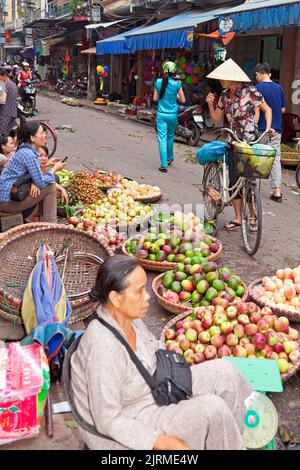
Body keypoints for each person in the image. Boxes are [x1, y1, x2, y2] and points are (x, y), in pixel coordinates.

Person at [71, 255, 252, 450]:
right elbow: (108, 419)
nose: (147, 297)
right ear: (115, 298)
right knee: (213, 409)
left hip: (153, 387)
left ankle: (231, 443)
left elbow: (153, 356)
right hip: (129, 418)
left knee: (226, 373)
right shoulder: (103, 347)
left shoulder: (131, 319)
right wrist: (158, 441)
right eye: (139, 291)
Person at [206, 59, 274, 232]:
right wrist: (209, 103)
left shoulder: (250, 92)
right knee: (234, 179)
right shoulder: (223, 95)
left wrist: (267, 129)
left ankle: (252, 215)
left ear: (234, 79)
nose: (221, 80)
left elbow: (267, 110)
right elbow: (216, 119)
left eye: (224, 78)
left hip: (250, 141)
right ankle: (237, 218)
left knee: (249, 180)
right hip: (233, 141)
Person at [0, 122, 64, 223]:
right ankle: (50, 225)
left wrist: (36, 181)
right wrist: (54, 169)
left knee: (43, 185)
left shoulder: (24, 150)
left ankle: (41, 221)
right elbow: (42, 182)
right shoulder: (28, 154)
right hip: (7, 202)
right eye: (42, 133)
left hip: (8, 196)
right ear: (32, 138)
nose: (45, 135)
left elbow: (35, 173)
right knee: (50, 186)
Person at [254, 63, 287, 203]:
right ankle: (277, 191)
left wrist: (254, 125)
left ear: (258, 74)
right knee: (275, 159)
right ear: (270, 74)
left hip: (262, 129)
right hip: (276, 130)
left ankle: (252, 188)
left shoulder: (256, 88)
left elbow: (256, 111)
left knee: (256, 157)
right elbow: (283, 109)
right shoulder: (279, 88)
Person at [153, 61, 186, 173]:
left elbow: (155, 99)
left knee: (162, 138)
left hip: (161, 115)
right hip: (172, 115)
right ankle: (169, 158)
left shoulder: (158, 82)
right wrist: (175, 95)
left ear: (164, 71)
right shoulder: (177, 84)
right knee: (170, 136)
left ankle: (163, 164)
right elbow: (183, 100)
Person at [0, 67, 18, 135]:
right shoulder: (13, 84)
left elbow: (3, 100)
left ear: (4, 76)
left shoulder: (4, 84)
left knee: (3, 136)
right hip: (13, 113)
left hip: (5, 114)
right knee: (8, 134)